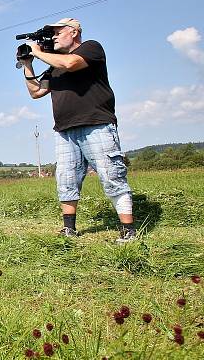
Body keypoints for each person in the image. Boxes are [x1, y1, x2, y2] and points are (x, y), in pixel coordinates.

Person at [21, 18, 136, 242]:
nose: (52, 37)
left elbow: (72, 64)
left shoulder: (91, 48)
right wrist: (27, 63)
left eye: (57, 32)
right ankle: (69, 229)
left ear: (73, 32)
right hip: (65, 130)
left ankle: (128, 230)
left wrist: (37, 52)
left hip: (96, 124)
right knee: (66, 179)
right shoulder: (55, 66)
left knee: (112, 175)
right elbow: (35, 92)